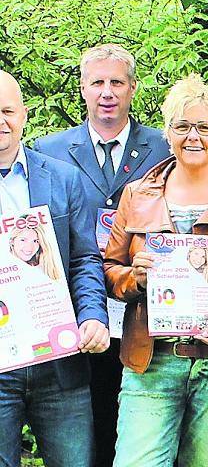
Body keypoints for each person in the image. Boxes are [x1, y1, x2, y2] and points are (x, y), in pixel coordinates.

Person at [104, 74, 208, 466]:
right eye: (182, 126)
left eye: (205, 127)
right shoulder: (136, 195)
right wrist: (134, 278)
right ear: (167, 132)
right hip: (151, 359)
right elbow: (108, 269)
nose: (193, 136)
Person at [33, 43, 170, 467]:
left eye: (116, 82)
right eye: (97, 83)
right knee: (83, 422)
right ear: (83, 89)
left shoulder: (164, 146)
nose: (107, 92)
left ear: (133, 88)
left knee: (137, 427)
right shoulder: (48, 151)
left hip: (142, 304)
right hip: (75, 306)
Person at [0, 70, 109, 467]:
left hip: (60, 359)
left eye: (7, 110)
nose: (1, 121)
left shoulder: (63, 178)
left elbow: (84, 260)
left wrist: (93, 315)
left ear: (24, 114)